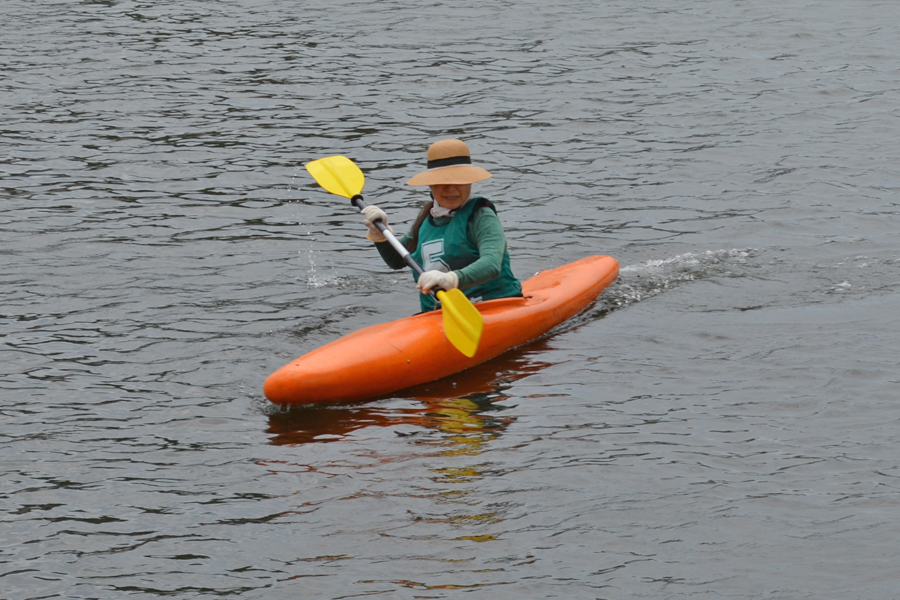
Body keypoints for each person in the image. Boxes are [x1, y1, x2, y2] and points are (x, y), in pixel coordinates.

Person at [361, 138, 522, 312]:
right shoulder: (426, 219)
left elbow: (491, 264)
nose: (451, 189)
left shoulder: (481, 216)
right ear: (430, 184)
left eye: (458, 181)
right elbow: (396, 260)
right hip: (436, 315)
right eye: (442, 181)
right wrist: (380, 235)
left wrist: (452, 279)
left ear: (470, 182)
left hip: (492, 306)